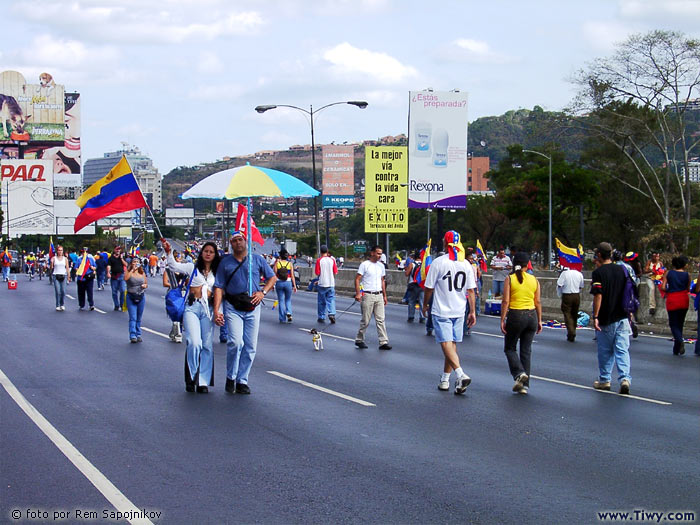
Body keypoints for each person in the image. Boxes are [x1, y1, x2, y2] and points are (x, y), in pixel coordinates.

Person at [213, 231, 276, 395]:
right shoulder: (225, 262)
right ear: (231, 244)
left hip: (252, 306)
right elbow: (219, 286)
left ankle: (242, 380)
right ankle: (230, 376)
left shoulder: (257, 259)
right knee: (235, 342)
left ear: (245, 241)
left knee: (250, 346)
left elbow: (272, 277)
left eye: (240, 240)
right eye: (234, 241)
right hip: (233, 306)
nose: (238, 243)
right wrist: (216, 310)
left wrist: (263, 292)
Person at [422, 231, 477, 394]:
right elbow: (472, 290)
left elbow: (429, 287)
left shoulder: (438, 263)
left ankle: (460, 374)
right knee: (451, 345)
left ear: (445, 244)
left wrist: (425, 305)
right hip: (459, 310)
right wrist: (472, 311)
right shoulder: (466, 264)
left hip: (442, 310)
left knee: (446, 344)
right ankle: (445, 379)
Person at [165, 240, 220, 392]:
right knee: (194, 343)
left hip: (207, 310)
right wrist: (169, 252)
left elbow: (220, 292)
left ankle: (203, 382)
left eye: (211, 252)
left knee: (207, 346)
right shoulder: (192, 267)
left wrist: (218, 311)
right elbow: (174, 266)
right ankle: (192, 377)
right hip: (192, 307)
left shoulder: (217, 272)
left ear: (215, 255)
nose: (208, 254)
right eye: (206, 251)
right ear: (201, 253)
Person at [590, 242, 632, 394]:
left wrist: (595, 316)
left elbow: (598, 295)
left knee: (605, 351)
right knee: (622, 350)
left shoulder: (598, 273)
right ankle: (625, 378)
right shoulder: (622, 270)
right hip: (622, 315)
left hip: (607, 317)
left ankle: (605, 380)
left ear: (599, 255)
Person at [501, 252, 542, 395]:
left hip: (516, 315)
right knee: (526, 351)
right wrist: (540, 320)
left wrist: (502, 319)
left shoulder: (510, 279)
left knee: (510, 348)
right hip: (532, 316)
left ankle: (519, 373)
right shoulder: (534, 279)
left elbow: (505, 301)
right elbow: (537, 302)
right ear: (527, 264)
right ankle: (524, 385)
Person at [354, 246, 391, 350]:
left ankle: (383, 341)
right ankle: (359, 339)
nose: (379, 256)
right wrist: (358, 293)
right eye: (378, 253)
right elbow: (357, 279)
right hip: (367, 294)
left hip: (378, 294)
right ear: (372, 253)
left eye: (381, 254)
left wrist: (384, 295)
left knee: (381, 319)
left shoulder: (381, 266)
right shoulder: (365, 265)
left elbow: (382, 281)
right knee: (366, 320)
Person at [662, 255, 691, 356]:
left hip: (672, 299)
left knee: (673, 324)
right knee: (680, 324)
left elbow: (663, 287)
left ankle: (679, 340)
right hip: (683, 299)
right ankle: (676, 348)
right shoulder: (687, 275)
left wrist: (670, 289)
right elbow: (688, 288)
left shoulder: (669, 273)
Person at [557, 266, 584, 342]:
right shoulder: (579, 274)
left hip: (567, 295)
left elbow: (559, 284)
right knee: (574, 314)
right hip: (576, 295)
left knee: (567, 314)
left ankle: (571, 332)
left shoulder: (564, 273)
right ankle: (573, 329)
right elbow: (581, 286)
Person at [124, 258, 148, 343]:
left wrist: (145, 286)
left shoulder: (142, 273)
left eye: (137, 262)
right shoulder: (129, 272)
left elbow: (146, 283)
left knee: (139, 317)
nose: (136, 263)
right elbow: (126, 278)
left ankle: (138, 334)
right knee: (133, 317)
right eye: (134, 262)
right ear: (131, 263)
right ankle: (132, 335)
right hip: (131, 296)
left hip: (140, 296)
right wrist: (132, 270)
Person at [273, 248, 297, 323]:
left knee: (281, 300)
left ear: (280, 256)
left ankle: (282, 318)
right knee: (288, 299)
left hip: (279, 283)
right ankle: (289, 312)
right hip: (288, 283)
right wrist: (294, 286)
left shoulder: (277, 263)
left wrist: (273, 284)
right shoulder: (289, 264)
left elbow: (274, 275)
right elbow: (292, 275)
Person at [315, 245, 338, 324]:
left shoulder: (319, 260)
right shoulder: (332, 260)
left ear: (320, 252)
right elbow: (335, 271)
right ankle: (331, 313)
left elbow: (317, 272)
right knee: (331, 299)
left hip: (322, 283)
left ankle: (321, 316)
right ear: (327, 251)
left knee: (321, 301)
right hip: (331, 283)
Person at [162, 268, 183, 343]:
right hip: (172, 294)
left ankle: (176, 332)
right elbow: (165, 283)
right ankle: (177, 334)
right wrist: (176, 286)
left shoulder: (183, 270)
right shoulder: (168, 271)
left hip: (182, 294)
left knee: (181, 314)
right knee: (175, 313)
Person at [404, 250, 425, 324]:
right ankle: (422, 317)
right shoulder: (424, 264)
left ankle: (411, 316)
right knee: (422, 302)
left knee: (412, 301)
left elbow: (407, 274)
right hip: (422, 285)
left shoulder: (411, 264)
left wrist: (406, 268)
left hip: (413, 285)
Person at [643, 252, 665, 316]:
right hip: (650, 278)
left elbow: (663, 270)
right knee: (652, 288)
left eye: (657, 256)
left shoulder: (660, 263)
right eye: (655, 256)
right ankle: (652, 307)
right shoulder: (649, 262)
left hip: (658, 278)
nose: (656, 258)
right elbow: (645, 271)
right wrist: (651, 271)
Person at [50, 245, 70, 310]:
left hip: (63, 275)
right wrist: (51, 263)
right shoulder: (54, 258)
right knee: (58, 291)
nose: (60, 251)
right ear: (57, 251)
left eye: (61, 250)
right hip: (56, 275)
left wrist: (69, 276)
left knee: (63, 291)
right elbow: (51, 268)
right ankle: (57, 305)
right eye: (59, 250)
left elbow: (67, 268)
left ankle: (62, 304)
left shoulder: (65, 259)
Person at [107, 246, 127, 311]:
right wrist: (108, 273)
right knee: (114, 292)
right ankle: (116, 305)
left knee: (123, 290)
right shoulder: (111, 258)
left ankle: (121, 304)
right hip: (114, 276)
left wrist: (121, 258)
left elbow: (126, 264)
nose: (118, 251)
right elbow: (109, 266)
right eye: (117, 249)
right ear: (114, 250)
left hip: (121, 275)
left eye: (119, 249)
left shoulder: (122, 257)